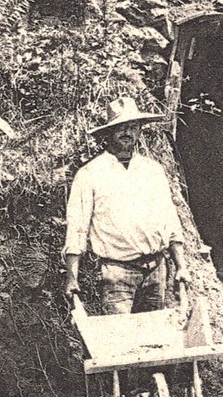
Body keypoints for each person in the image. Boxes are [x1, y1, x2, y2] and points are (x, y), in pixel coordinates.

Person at [64, 96, 190, 340]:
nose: (127, 132)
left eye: (133, 127)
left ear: (140, 130)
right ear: (109, 133)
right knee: (121, 343)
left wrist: (181, 265)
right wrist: (72, 276)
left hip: (156, 269)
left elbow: (170, 220)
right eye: (120, 127)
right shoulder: (90, 174)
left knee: (156, 341)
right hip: (116, 273)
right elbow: (77, 229)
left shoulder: (152, 170)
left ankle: (154, 379)